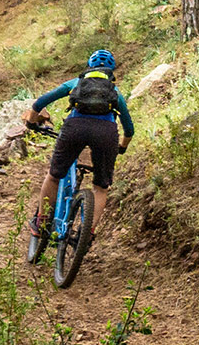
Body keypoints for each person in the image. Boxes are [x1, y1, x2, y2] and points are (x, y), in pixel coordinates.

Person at [24, 49, 134, 239]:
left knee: (54, 176)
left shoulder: (75, 83)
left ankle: (42, 222)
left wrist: (32, 122)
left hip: (75, 128)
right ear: (111, 71)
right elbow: (129, 129)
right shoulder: (114, 92)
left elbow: (40, 103)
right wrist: (122, 147)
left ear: (89, 66)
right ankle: (86, 233)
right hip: (106, 133)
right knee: (101, 187)